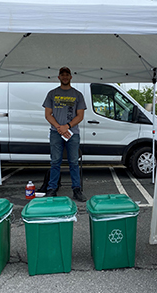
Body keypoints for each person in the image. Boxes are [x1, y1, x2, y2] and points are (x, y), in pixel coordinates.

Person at [42, 66, 87, 202]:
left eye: (67, 74)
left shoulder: (78, 95)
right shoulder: (52, 94)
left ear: (71, 77)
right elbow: (47, 114)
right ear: (59, 77)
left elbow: (80, 116)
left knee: (73, 162)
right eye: (62, 74)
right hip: (56, 133)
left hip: (72, 133)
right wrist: (59, 128)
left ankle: (76, 190)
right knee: (55, 162)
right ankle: (52, 189)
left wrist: (66, 127)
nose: (65, 76)